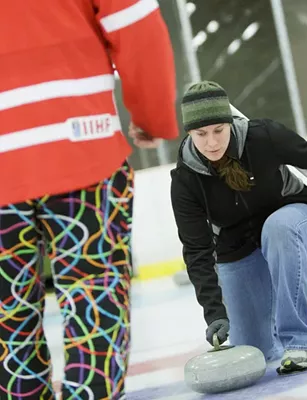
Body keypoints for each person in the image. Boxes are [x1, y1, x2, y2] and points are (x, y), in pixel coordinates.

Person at [0, 1, 179, 399]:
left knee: (6, 318)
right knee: (93, 296)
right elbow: (137, 27)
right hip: (81, 146)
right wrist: (152, 116)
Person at [170, 81, 307, 375]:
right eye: (201, 134)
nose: (211, 142)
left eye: (219, 130)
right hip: (238, 249)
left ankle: (297, 342)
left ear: (230, 123)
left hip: (296, 222)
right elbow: (197, 250)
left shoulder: (262, 137)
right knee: (254, 349)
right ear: (189, 133)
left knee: (278, 228)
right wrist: (214, 312)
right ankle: (266, 323)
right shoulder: (186, 179)